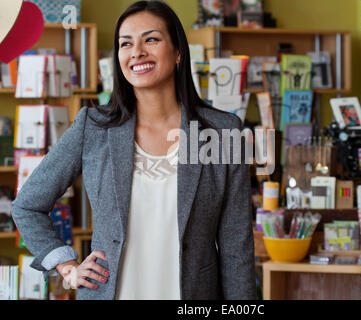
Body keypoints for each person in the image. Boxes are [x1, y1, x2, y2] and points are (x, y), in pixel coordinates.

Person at [12, 0, 256, 300]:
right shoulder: (94, 127)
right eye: (125, 44)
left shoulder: (222, 131)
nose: (137, 52)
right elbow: (27, 206)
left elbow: (236, 247)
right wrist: (66, 266)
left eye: (151, 39)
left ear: (178, 51)